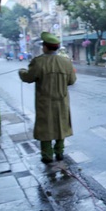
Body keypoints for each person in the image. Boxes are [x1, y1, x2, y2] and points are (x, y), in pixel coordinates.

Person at [19, 32, 77, 164]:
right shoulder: (66, 62)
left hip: (44, 102)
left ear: (45, 47)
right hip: (62, 101)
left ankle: (47, 155)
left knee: (45, 127)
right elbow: (72, 80)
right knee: (61, 125)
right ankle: (60, 152)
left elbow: (28, 77)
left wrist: (21, 72)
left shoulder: (39, 62)